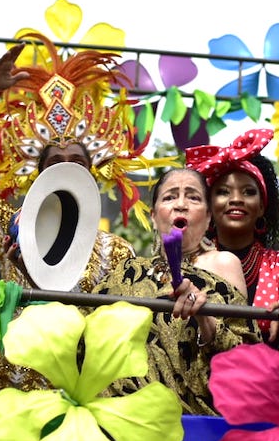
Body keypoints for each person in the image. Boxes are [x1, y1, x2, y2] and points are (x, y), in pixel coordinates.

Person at [0, 33, 169, 390]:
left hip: (85, 395)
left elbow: (118, 331)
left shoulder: (116, 250)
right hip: (15, 391)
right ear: (39, 174)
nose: (66, 168)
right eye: (55, 162)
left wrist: (34, 281)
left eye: (77, 161)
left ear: (92, 172)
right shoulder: (11, 226)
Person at [92, 167, 259, 415]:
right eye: (170, 197)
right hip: (121, 418)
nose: (180, 204)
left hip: (192, 421)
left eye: (193, 197)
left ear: (209, 217)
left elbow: (246, 355)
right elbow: (81, 327)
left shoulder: (223, 263)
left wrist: (205, 318)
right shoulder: (127, 271)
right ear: (153, 216)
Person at [186, 128, 279, 345]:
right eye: (223, 192)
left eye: (248, 192)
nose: (236, 199)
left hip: (268, 375)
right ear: (208, 208)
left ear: (262, 207)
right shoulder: (189, 264)